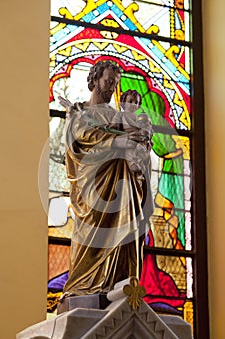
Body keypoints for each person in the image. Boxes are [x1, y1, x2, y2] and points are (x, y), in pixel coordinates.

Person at [61, 61, 153, 296]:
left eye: (115, 83)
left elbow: (139, 142)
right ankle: (84, 286)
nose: (112, 86)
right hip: (94, 186)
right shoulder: (80, 113)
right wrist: (117, 142)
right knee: (92, 235)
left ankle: (119, 287)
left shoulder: (119, 116)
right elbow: (81, 138)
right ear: (94, 80)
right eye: (108, 81)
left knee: (128, 228)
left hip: (124, 184)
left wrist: (139, 146)